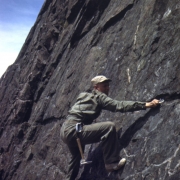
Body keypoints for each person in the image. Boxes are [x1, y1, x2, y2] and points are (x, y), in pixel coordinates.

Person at [60, 75, 159, 180]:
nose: (107, 88)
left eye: (107, 85)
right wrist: (146, 105)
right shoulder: (99, 97)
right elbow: (119, 105)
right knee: (109, 127)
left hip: (65, 130)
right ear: (96, 87)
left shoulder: (83, 95)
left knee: (76, 158)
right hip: (74, 130)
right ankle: (111, 162)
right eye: (104, 86)